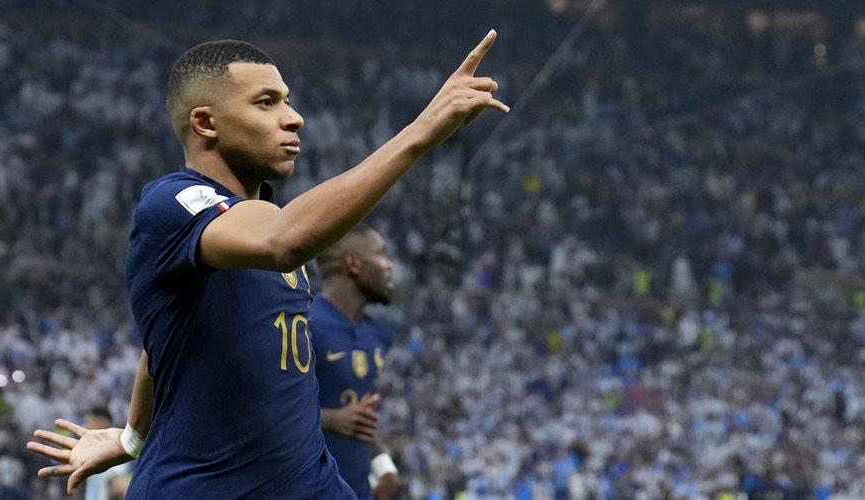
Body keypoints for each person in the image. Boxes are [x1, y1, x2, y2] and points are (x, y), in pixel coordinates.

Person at [27, 31, 507, 498]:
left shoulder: (257, 225)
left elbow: (165, 343)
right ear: (206, 123)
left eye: (287, 101)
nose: (294, 118)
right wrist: (421, 131)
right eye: (266, 102)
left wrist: (132, 435)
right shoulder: (173, 203)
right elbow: (284, 241)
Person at [311, 226, 400, 500]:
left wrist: (383, 464)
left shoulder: (378, 334)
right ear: (353, 263)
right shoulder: (304, 324)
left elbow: (359, 413)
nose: (389, 266)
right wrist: (331, 419)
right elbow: (265, 413)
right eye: (381, 254)